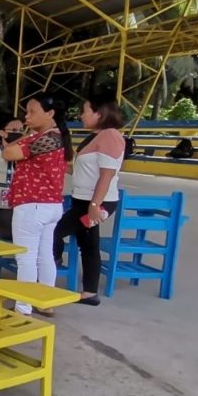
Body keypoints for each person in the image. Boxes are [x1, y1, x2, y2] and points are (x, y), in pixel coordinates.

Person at [2, 94, 73, 317]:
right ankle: (45, 302)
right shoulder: (57, 136)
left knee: (26, 256)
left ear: (50, 114)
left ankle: (23, 306)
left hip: (32, 204)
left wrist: (20, 136)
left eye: (32, 112)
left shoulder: (43, 139)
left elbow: (8, 152)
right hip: (51, 205)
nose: (27, 117)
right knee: (44, 254)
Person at [53, 99, 125, 306]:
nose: (81, 116)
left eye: (85, 111)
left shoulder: (110, 135)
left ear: (99, 113)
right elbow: (81, 170)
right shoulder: (96, 136)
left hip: (95, 202)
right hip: (83, 199)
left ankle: (53, 264)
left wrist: (95, 205)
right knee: (88, 244)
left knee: (54, 231)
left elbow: (107, 174)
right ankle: (90, 292)